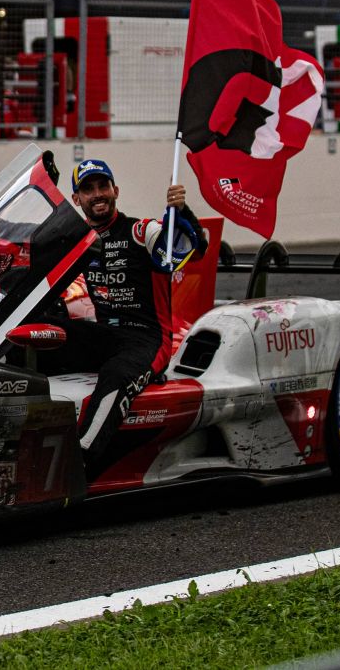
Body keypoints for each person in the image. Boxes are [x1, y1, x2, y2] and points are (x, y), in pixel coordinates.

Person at [41, 159, 206, 482]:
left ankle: (79, 464)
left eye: (103, 186)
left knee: (116, 375)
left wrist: (182, 214)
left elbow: (194, 249)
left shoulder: (142, 230)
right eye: (88, 189)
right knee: (40, 332)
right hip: (105, 337)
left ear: (116, 191)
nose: (98, 194)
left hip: (148, 339)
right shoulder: (79, 241)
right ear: (76, 199)